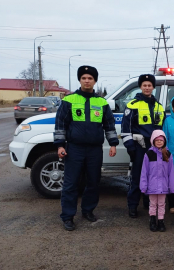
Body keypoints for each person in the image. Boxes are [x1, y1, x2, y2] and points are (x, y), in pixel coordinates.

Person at [54, 65, 119, 231]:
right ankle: (68, 216)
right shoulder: (69, 100)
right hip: (74, 148)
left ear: (95, 81)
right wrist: (60, 145)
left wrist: (113, 144)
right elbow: (61, 124)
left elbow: (109, 125)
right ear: (80, 80)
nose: (87, 81)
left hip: (94, 150)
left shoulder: (102, 102)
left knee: (93, 182)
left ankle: (88, 210)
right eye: (84, 78)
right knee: (71, 183)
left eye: (90, 78)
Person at [121, 74, 166, 218]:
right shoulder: (132, 105)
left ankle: (148, 202)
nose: (147, 88)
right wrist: (130, 147)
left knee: (153, 176)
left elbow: (161, 129)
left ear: (153, 87)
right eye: (144, 85)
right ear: (140, 87)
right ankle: (133, 206)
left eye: (150, 85)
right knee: (137, 177)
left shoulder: (159, 106)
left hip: (155, 147)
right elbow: (125, 129)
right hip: (139, 146)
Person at [140, 130, 174, 232]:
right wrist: (143, 186)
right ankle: (152, 220)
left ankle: (161, 221)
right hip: (152, 186)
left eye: (161, 140)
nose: (159, 142)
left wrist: (172, 186)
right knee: (152, 204)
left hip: (163, 186)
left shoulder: (168, 154)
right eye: (157, 140)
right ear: (153, 141)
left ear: (164, 141)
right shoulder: (148, 154)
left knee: (161, 204)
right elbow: (144, 172)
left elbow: (171, 172)